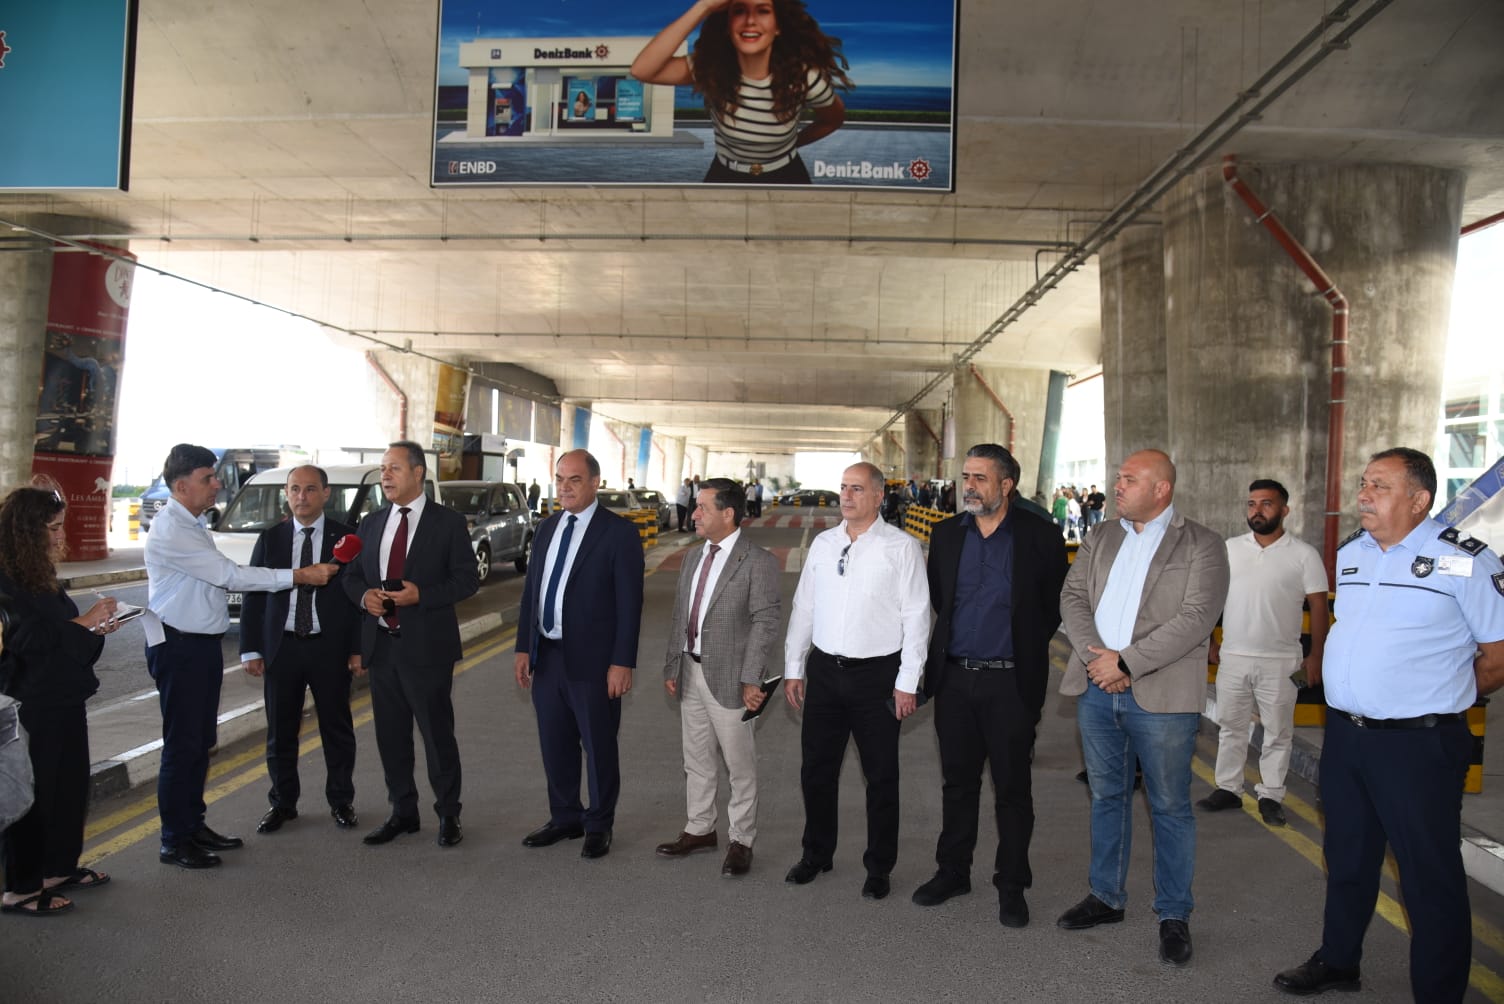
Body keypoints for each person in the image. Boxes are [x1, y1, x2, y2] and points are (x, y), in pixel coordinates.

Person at [1273, 448, 1504, 1002]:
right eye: (1364, 482)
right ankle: (1338, 960)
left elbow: (1497, 657)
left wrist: (1439, 694)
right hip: (1347, 737)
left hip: (1419, 744)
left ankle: (1438, 992)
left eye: (1380, 485)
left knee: (1429, 876)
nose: (1364, 494)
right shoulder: (1352, 553)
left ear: (1419, 500)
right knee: (1348, 858)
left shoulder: (1466, 561)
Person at [1056, 449, 1229, 967]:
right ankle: (1106, 896)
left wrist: (1126, 662)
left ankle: (1173, 913)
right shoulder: (1101, 535)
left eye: (1129, 479)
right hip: (1097, 688)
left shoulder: (1202, 544)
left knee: (1169, 805)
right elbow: (1072, 597)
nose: (1117, 485)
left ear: (1161, 489)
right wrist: (1099, 660)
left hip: (1162, 696)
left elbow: (1197, 619)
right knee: (1108, 796)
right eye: (1118, 478)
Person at [145, 444, 339, 869]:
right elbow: (229, 576)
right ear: (182, 486)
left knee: (200, 743)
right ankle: (174, 839)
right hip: (179, 647)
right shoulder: (173, 529)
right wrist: (299, 575)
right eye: (207, 478)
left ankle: (192, 825)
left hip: (198, 646)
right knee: (183, 745)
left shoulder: (192, 523)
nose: (217, 483)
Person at [912, 445, 1068, 928]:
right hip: (955, 680)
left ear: (1006, 485)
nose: (970, 487)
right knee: (958, 784)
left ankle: (1012, 884)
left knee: (1012, 789)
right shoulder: (946, 535)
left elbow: (1051, 607)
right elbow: (941, 600)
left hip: (1011, 684)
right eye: (966, 477)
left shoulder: (1040, 537)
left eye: (980, 478)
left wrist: (1015, 647)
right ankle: (952, 872)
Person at [783, 462, 929, 899]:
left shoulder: (902, 548)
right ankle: (817, 853)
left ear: (879, 496)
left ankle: (879, 866)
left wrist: (907, 681)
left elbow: (917, 617)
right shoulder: (824, 544)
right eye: (844, 487)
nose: (846, 496)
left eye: (857, 489)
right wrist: (794, 666)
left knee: (880, 777)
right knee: (816, 771)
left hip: (878, 677)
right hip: (826, 673)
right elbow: (804, 607)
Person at [343, 442, 478, 848]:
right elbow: (351, 575)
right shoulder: (370, 524)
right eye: (383, 468)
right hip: (382, 647)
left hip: (427, 649)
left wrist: (422, 595)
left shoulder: (448, 523)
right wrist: (363, 597)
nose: (385, 476)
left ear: (418, 473)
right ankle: (402, 812)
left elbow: (466, 579)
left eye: (394, 468)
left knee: (436, 735)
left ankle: (448, 813)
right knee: (391, 736)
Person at [515, 449, 645, 859]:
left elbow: (629, 604)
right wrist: (523, 646)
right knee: (555, 743)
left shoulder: (618, 533)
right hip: (548, 656)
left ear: (594, 483)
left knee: (598, 745)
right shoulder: (547, 528)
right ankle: (565, 816)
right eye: (559, 479)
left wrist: (622, 662)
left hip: (595, 661)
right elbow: (532, 592)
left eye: (574, 480)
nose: (564, 488)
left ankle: (599, 823)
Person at [0, 488, 119, 915]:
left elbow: (64, 632)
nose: (59, 536)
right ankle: (21, 887)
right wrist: (81, 624)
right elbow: (25, 638)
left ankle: (57, 868)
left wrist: (94, 628)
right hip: (30, 703)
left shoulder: (40, 574)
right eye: (52, 528)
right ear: (26, 532)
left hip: (64, 697)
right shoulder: (5, 580)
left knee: (69, 788)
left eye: (60, 526)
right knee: (32, 796)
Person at [657, 478, 780, 876]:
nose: (694, 514)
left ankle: (741, 839)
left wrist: (751, 678)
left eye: (703, 508)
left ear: (728, 514)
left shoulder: (757, 561)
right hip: (690, 670)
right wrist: (673, 665)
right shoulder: (693, 557)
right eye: (695, 506)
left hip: (732, 678)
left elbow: (765, 622)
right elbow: (681, 615)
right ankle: (700, 828)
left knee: (739, 765)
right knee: (696, 759)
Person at [240, 466, 363, 835]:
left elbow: (358, 597)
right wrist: (251, 649)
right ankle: (282, 803)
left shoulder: (347, 539)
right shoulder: (271, 538)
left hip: (329, 648)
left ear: (326, 493)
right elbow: (254, 594)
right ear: (286, 493)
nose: (301, 497)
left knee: (336, 729)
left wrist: (358, 649)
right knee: (280, 731)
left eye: (310, 489)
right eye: (294, 489)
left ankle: (341, 801)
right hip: (283, 648)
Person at [1199, 479, 1328, 828]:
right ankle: (1228, 788)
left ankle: (1271, 794)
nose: (1257, 510)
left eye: (1266, 503)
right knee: (1231, 726)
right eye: (1252, 503)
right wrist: (1210, 640)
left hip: (1284, 662)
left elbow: (1319, 606)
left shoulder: (1304, 554)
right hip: (1233, 657)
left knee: (1278, 732)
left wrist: (1316, 656)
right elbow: (1210, 597)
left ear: (1284, 510)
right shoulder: (1229, 549)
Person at [631, 0, 850, 184]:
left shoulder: (805, 78)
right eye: (739, 11)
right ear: (727, 26)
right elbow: (642, 70)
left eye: (763, 11)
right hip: (724, 176)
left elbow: (832, 120)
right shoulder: (709, 68)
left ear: (778, 27)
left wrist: (789, 145)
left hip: (787, 176)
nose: (750, 20)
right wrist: (703, 7)